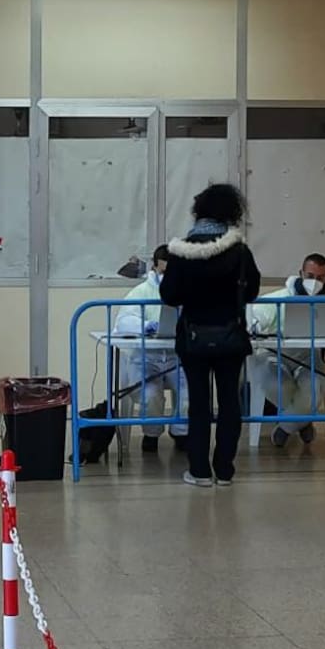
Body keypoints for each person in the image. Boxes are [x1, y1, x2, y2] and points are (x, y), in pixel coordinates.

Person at [160, 184, 261, 488]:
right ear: (233, 212)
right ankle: (225, 470)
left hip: (193, 338)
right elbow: (252, 291)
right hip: (231, 337)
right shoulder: (239, 251)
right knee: (230, 402)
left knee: (199, 403)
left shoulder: (180, 251)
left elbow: (169, 295)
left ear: (198, 211)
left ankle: (200, 471)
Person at [250, 253, 325, 448]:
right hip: (273, 356)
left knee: (314, 388)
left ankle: (286, 427)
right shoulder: (279, 298)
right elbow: (253, 320)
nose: (314, 282)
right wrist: (262, 327)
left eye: (320, 278)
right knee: (278, 385)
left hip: (309, 358)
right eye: (310, 276)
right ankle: (303, 421)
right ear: (301, 273)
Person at [114, 245, 188, 453]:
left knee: (191, 391)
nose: (168, 277)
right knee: (150, 394)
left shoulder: (189, 291)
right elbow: (124, 322)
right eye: (164, 272)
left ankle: (181, 432)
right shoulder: (141, 292)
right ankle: (151, 434)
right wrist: (147, 327)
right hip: (146, 358)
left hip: (178, 357)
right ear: (154, 268)